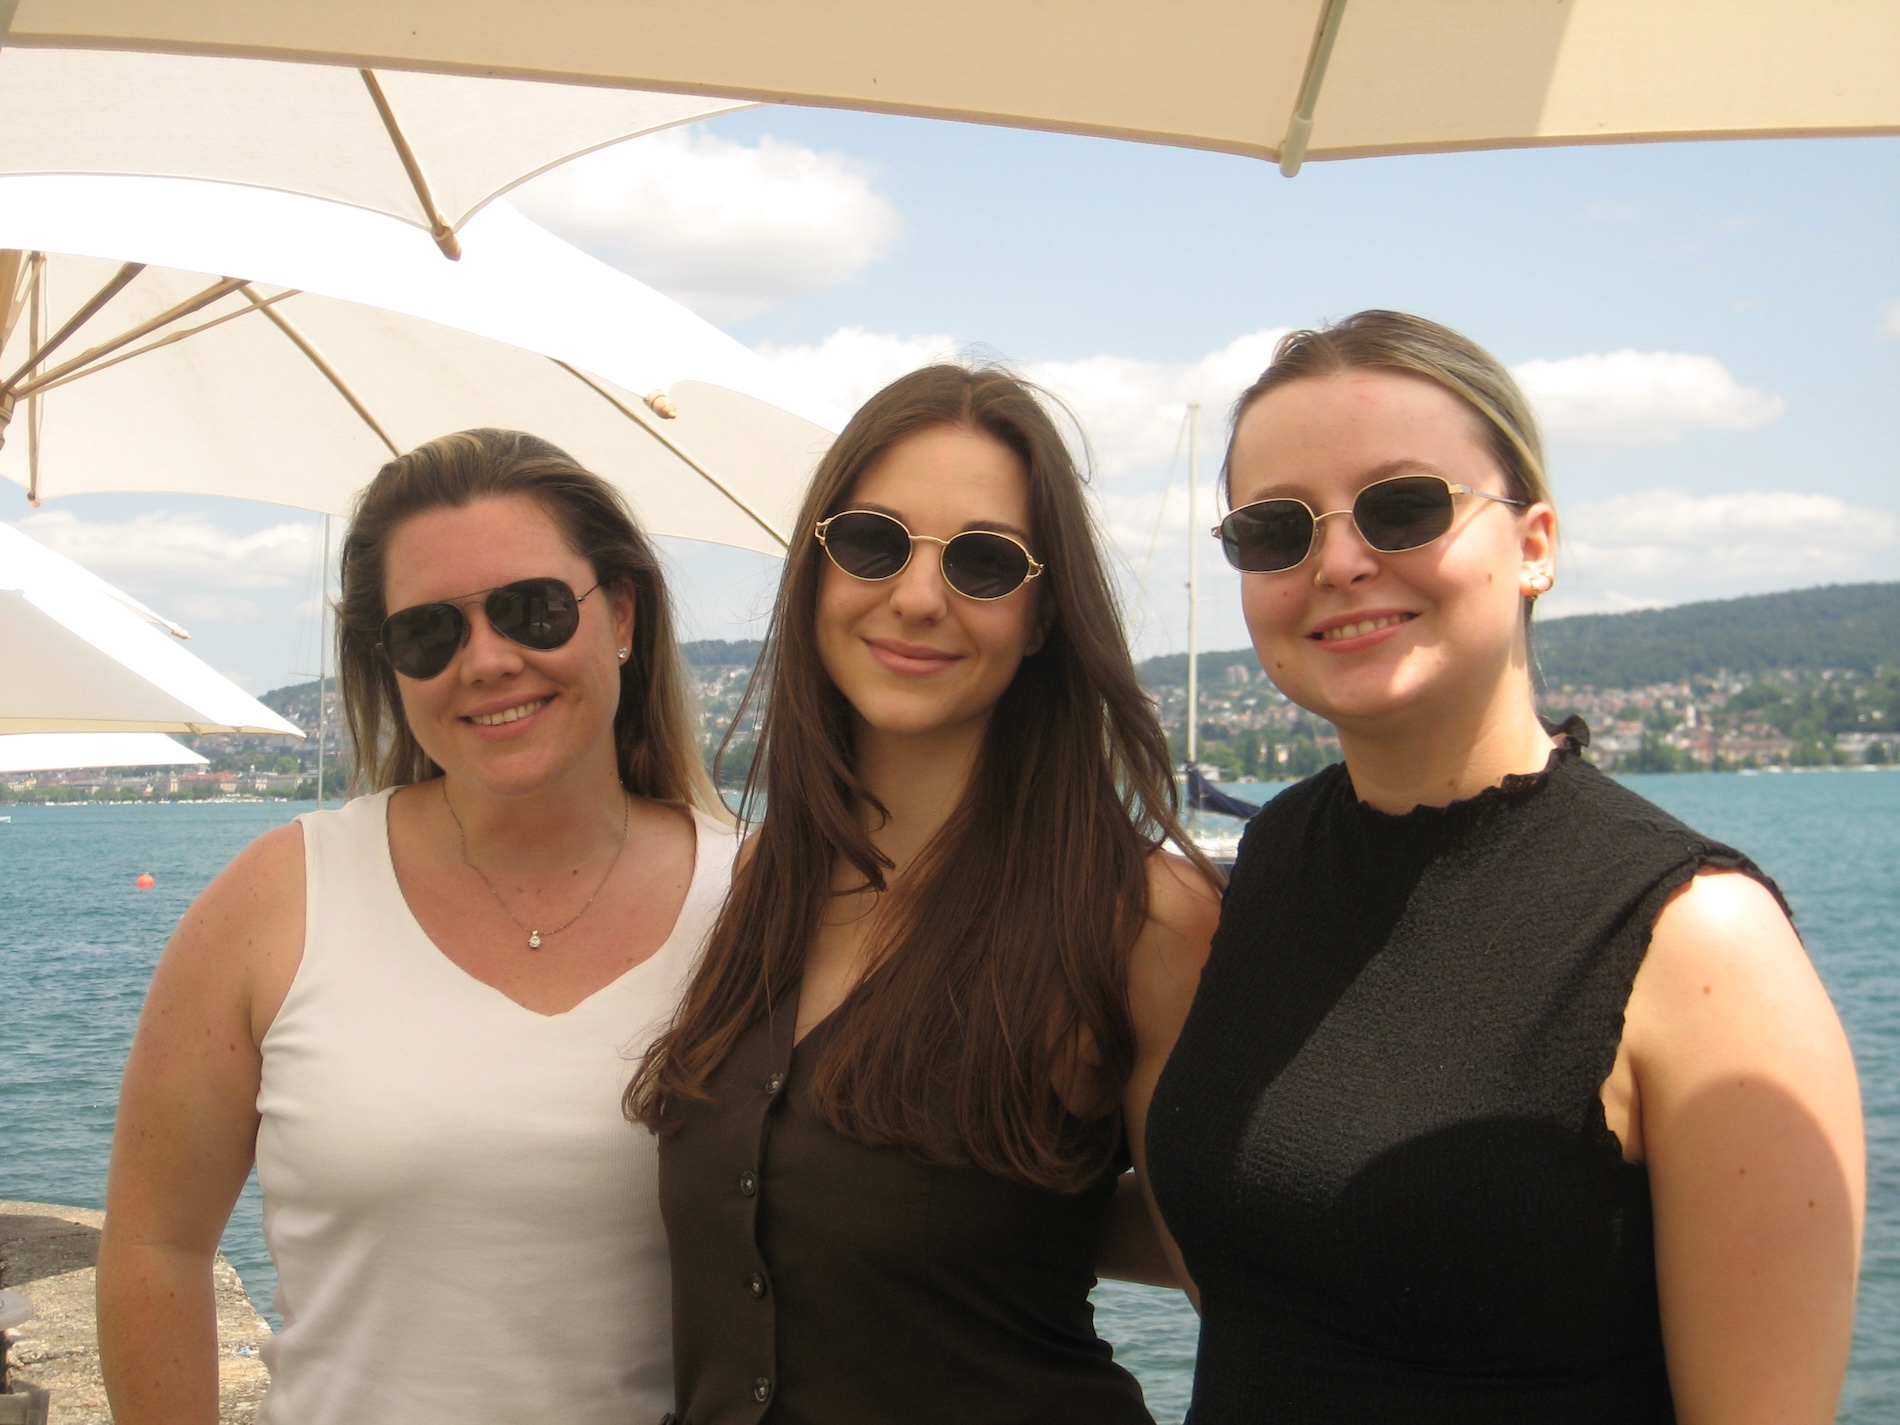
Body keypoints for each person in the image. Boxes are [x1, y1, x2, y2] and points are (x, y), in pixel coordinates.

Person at [1146, 311, 1865, 1423]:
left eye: (1402, 506)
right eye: (1274, 529)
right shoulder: (1279, 854)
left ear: (1534, 546)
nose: (1338, 561)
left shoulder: (1694, 939)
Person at [97, 429, 738, 1425]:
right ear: (389, 665)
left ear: (620, 614)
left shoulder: (761, 903)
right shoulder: (279, 901)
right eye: (430, 633)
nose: (488, 660)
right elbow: (155, 1245)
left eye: (532, 609)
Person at [628, 365, 1220, 1425]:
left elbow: (1245, 1285)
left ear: (1043, 615)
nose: (915, 596)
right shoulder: (766, 878)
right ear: (815, 572)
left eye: (985, 562)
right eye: (872, 542)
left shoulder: (1140, 921)